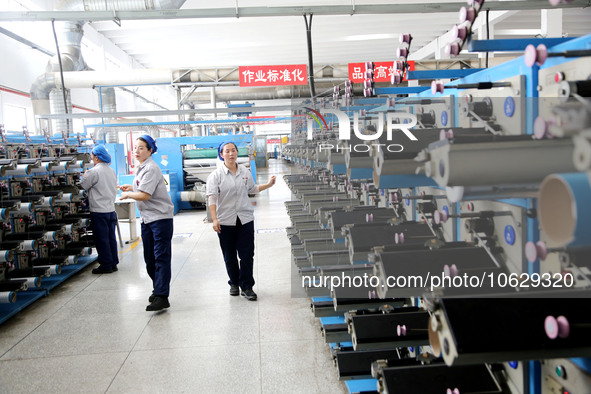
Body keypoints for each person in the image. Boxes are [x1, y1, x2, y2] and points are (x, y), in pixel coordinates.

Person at [206, 141, 276, 301]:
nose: (231, 154)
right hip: (225, 220)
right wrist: (214, 219)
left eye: (233, 151)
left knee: (246, 254)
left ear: (237, 153)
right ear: (221, 154)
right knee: (229, 255)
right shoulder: (215, 176)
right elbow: (211, 197)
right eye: (227, 151)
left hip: (245, 219)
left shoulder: (244, 171)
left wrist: (268, 185)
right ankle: (234, 283)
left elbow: (252, 189)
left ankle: (247, 286)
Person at [120, 135, 174, 312]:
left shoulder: (151, 168)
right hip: (147, 219)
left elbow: (145, 195)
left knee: (160, 257)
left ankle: (162, 296)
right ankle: (158, 289)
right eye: (135, 147)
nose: (137, 150)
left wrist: (129, 195)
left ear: (150, 150)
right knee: (150, 259)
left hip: (160, 218)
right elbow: (142, 189)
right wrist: (131, 188)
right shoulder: (141, 168)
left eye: (141, 147)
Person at [81, 145, 119, 274]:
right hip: (110, 210)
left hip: (98, 211)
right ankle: (113, 262)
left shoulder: (94, 171)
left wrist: (85, 174)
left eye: (92, 155)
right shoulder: (111, 170)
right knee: (110, 237)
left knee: (101, 239)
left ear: (96, 157)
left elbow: (84, 186)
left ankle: (106, 265)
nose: (91, 157)